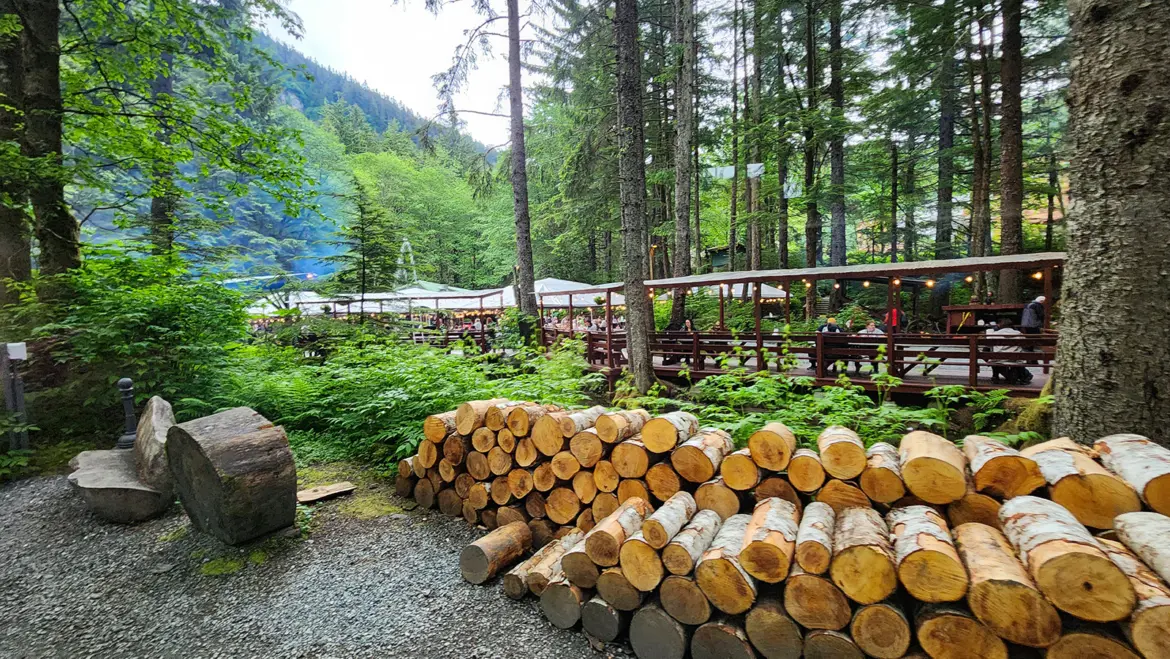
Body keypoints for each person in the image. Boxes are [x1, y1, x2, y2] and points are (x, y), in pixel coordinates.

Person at [987, 318, 1032, 385]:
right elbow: (1026, 345)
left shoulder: (994, 334)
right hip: (1015, 359)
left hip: (998, 359)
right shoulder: (1019, 334)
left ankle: (995, 376)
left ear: (1000, 325)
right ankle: (1023, 377)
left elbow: (987, 344)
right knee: (1019, 357)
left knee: (992, 355)